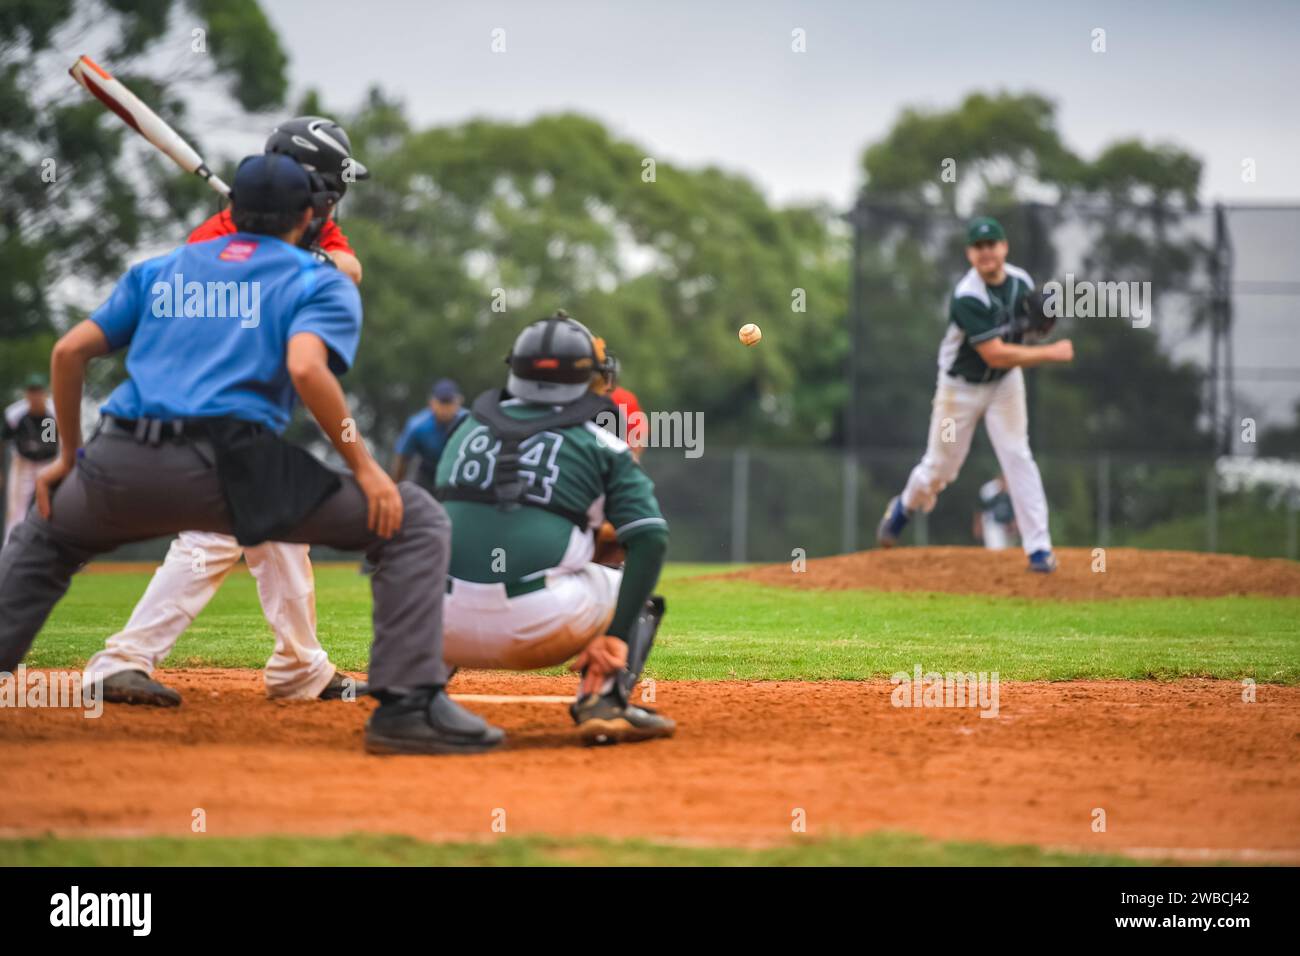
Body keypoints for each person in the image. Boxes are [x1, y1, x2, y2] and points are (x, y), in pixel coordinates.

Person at [0, 153, 503, 756]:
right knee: (415, 520)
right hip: (233, 466)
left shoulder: (160, 270)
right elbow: (305, 369)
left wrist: (67, 461)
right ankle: (408, 708)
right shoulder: (317, 282)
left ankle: (296, 666)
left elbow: (68, 353)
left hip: (118, 459)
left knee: (44, 541)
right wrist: (368, 470)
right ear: (311, 216)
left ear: (230, 210)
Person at [83, 116, 370, 706]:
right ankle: (123, 660)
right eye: (333, 189)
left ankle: (297, 667)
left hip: (245, 420)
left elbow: (351, 271)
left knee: (277, 534)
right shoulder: (210, 239)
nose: (339, 202)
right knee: (215, 538)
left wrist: (296, 251)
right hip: (196, 413)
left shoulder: (313, 232)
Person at [436, 313, 674, 744]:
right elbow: (651, 536)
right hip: (538, 626)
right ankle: (603, 699)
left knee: (443, 568)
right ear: (591, 380)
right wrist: (615, 635)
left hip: (436, 627)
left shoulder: (465, 429)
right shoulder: (600, 442)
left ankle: (416, 697)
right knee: (636, 592)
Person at [876, 216, 1074, 573]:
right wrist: (1050, 352)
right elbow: (994, 352)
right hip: (960, 389)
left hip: (1004, 385)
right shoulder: (967, 296)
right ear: (970, 253)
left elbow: (1021, 338)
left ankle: (1039, 550)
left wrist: (1040, 329)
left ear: (1004, 247)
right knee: (941, 468)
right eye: (978, 247)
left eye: (991, 245)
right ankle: (904, 505)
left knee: (1017, 455)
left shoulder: (1021, 283)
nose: (985, 252)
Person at [2, 374, 58, 546]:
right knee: (16, 511)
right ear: (26, 394)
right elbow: (2, 440)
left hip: (49, 463)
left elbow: (62, 440)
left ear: (45, 393)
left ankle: (57, 550)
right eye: (32, 391)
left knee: (56, 506)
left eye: (38, 391)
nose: (35, 395)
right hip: (23, 465)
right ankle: (10, 551)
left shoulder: (54, 412)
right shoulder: (14, 414)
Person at [391, 379, 469, 494]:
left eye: (450, 403)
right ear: (432, 403)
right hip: (428, 472)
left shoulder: (468, 422)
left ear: (459, 402)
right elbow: (402, 458)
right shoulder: (417, 426)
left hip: (457, 471)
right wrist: (394, 488)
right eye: (442, 403)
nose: (446, 409)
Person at [972, 474, 1017, 550]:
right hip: (993, 525)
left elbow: (1014, 510)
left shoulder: (1012, 491)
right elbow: (981, 509)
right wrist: (978, 525)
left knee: (1008, 551)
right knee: (995, 549)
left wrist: (1012, 524)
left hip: (1007, 526)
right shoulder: (990, 492)